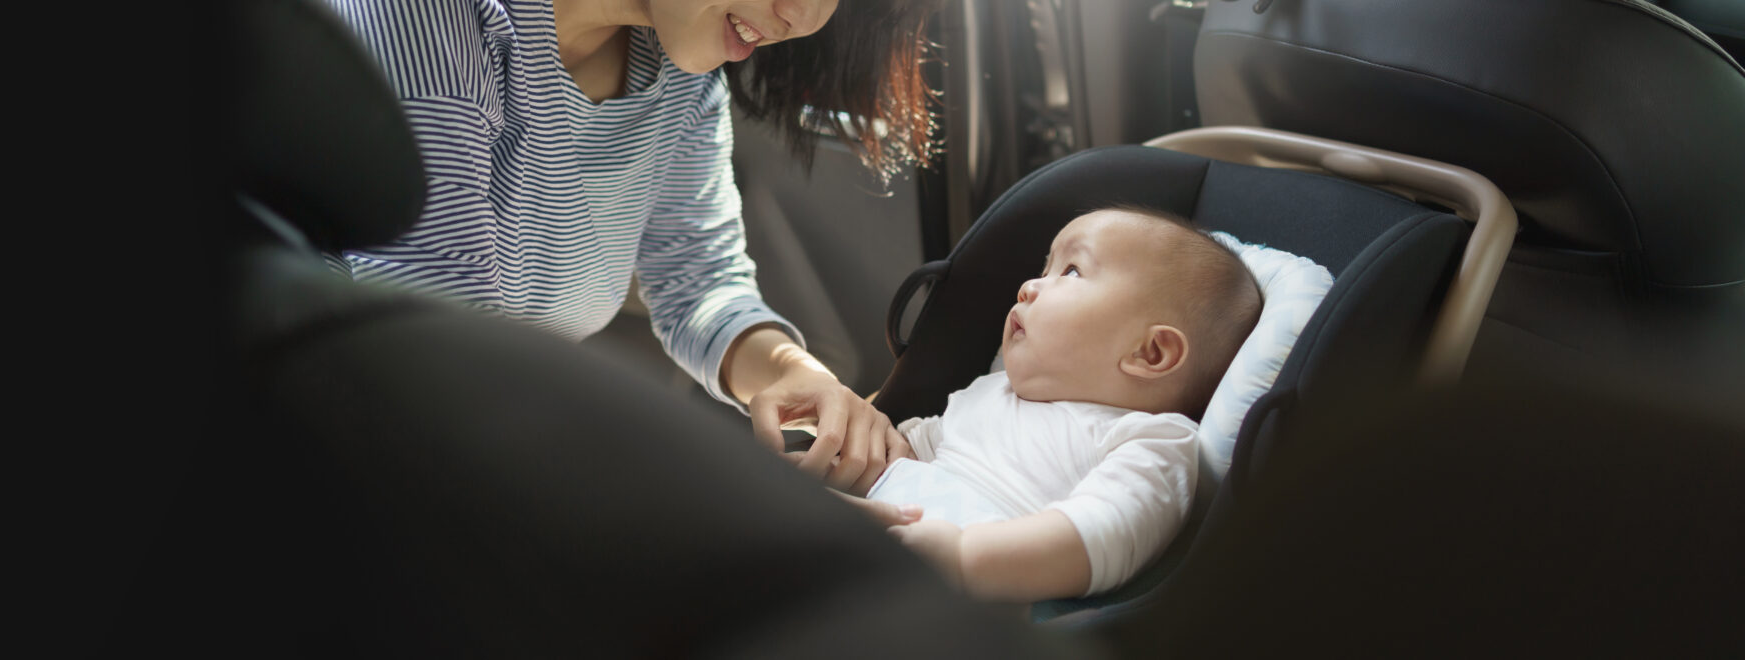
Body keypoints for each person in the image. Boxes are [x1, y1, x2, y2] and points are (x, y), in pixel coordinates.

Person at [322, 0, 948, 492]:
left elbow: (699, 284)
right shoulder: (431, 18)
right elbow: (439, 351)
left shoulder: (683, 80)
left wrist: (796, 376)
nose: (805, 16)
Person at [832, 206, 1266, 603]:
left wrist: (965, 558)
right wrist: (850, 458)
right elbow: (910, 452)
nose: (1028, 286)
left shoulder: (1152, 441)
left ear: (1149, 353)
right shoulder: (993, 390)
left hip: (962, 592)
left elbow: (1102, 532)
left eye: (1072, 272)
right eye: (1045, 267)